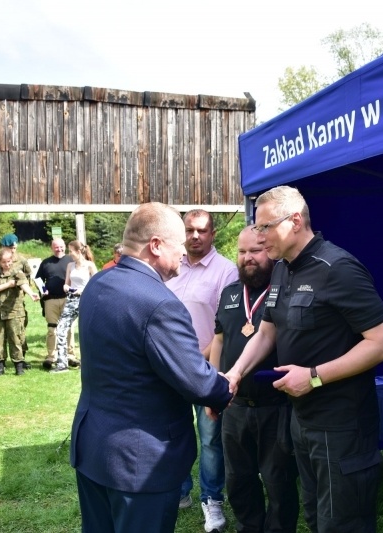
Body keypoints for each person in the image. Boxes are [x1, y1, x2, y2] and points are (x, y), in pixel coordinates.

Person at [224, 185, 383, 533]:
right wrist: (235, 372)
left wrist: (315, 376)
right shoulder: (282, 269)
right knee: (317, 518)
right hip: (300, 421)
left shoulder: (338, 268)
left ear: (294, 222)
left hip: (341, 425)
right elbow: (266, 333)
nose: (259, 236)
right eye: (256, 227)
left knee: (343, 523)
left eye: (265, 227)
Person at [69, 201, 233, 533]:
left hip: (93, 447)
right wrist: (224, 389)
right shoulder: (159, 303)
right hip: (140, 463)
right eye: (179, 246)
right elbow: (198, 383)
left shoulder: (98, 284)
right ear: (156, 245)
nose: (184, 255)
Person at [209, 227, 299, 533]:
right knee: (238, 479)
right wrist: (213, 386)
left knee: (278, 480)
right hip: (235, 406)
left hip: (276, 405)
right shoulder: (230, 293)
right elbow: (219, 341)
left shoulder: (286, 290)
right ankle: (248, 527)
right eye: (242, 252)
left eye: (256, 251)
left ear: (271, 252)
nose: (248, 258)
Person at [165, 208, 238, 532]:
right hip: (167, 370)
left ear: (213, 234)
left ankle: (212, 499)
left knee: (210, 439)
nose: (195, 236)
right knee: (172, 434)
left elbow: (225, 327)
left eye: (202, 230)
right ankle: (179, 492)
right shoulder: (168, 267)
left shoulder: (226, 272)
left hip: (206, 368)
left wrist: (196, 362)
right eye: (190, 230)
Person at [0, 248, 39, 375]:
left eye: (9, 261)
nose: (7, 264)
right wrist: (8, 285)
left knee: (16, 339)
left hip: (14, 311)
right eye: (4, 262)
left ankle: (19, 366)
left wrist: (31, 294)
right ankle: (0, 366)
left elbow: (23, 284)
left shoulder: (17, 271)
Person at [53, 240, 97, 373]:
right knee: (61, 330)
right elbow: (67, 283)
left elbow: (96, 284)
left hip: (86, 300)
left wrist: (82, 290)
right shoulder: (70, 266)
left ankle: (89, 363)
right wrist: (66, 287)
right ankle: (62, 364)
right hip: (71, 300)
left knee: (86, 332)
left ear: (78, 251)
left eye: (71, 251)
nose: (69, 253)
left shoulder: (90, 266)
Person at [0, 233, 34, 361]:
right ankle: (0, 361)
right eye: (9, 247)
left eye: (13, 247)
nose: (12, 250)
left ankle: (21, 358)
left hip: (16, 302)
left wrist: (26, 291)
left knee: (19, 333)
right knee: (0, 335)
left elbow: (28, 277)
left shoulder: (22, 261)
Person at [35, 238, 77, 370]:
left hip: (67, 299)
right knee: (52, 329)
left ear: (64, 246)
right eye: (56, 247)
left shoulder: (71, 261)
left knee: (69, 328)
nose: (59, 249)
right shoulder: (46, 262)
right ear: (52, 248)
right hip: (50, 300)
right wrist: (43, 290)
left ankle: (70, 355)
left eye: (61, 247)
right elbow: (38, 279)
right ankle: (51, 356)